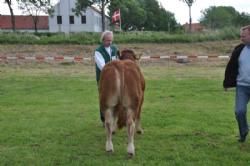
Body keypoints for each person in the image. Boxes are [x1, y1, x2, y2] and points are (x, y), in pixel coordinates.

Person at [223, 25, 250, 142]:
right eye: (241, 36)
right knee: (239, 111)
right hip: (242, 87)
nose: (241, 38)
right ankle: (243, 131)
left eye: (243, 36)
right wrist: (227, 83)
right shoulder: (239, 49)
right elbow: (231, 67)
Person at [94, 30, 119, 124]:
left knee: (115, 98)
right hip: (103, 79)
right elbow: (103, 67)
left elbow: (118, 61)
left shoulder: (114, 49)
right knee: (104, 98)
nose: (110, 42)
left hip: (115, 79)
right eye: (108, 40)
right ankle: (104, 119)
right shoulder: (98, 51)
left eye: (111, 40)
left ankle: (114, 117)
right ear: (103, 39)